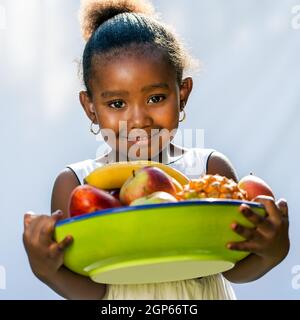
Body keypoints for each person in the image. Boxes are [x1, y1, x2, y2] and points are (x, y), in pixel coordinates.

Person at [23, 0, 290, 300]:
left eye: (155, 98)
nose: (138, 120)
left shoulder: (209, 172)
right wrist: (47, 270)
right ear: (90, 108)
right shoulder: (77, 185)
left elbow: (231, 265)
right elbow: (93, 291)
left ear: (183, 94)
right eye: (116, 104)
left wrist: (271, 252)